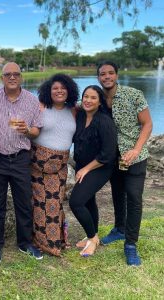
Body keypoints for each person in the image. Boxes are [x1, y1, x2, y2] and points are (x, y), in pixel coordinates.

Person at [0, 62, 43, 264]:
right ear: (2, 78)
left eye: (16, 74)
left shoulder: (32, 100)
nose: (12, 77)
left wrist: (27, 131)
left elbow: (37, 130)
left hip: (20, 158)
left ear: (21, 77)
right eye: (7, 74)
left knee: (24, 203)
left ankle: (25, 242)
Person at [97, 61, 153, 266]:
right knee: (117, 193)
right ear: (99, 78)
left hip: (135, 157)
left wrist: (137, 149)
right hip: (113, 158)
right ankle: (119, 229)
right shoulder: (98, 98)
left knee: (134, 198)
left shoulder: (133, 94)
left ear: (117, 75)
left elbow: (147, 123)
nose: (107, 77)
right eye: (103, 74)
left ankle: (130, 244)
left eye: (111, 73)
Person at [31, 73, 78, 256]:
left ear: (69, 90)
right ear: (48, 92)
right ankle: (42, 242)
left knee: (56, 203)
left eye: (63, 88)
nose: (59, 91)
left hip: (60, 166)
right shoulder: (40, 107)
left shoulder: (74, 110)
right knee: (39, 204)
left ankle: (58, 238)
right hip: (37, 165)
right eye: (55, 88)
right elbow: (30, 129)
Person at [69, 85, 117, 257]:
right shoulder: (81, 116)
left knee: (76, 202)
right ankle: (92, 235)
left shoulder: (104, 121)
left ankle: (93, 238)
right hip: (83, 166)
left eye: (93, 98)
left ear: (99, 101)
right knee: (88, 200)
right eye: (85, 97)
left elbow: (108, 154)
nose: (88, 100)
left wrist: (86, 169)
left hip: (100, 167)